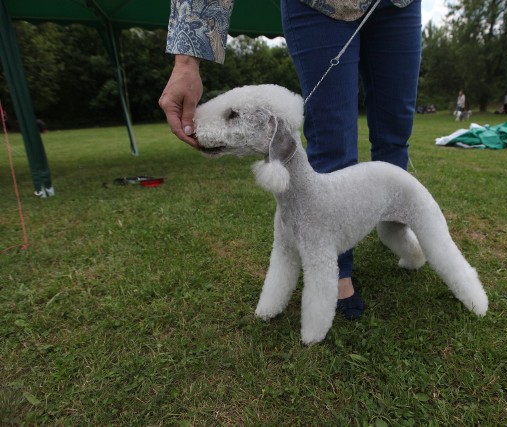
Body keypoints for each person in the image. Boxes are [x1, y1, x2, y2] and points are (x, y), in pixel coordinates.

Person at [159, 0, 423, 320]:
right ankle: (336, 270)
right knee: (332, 138)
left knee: (395, 134)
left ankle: (392, 227)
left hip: (398, 5)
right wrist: (187, 62)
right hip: (320, 7)